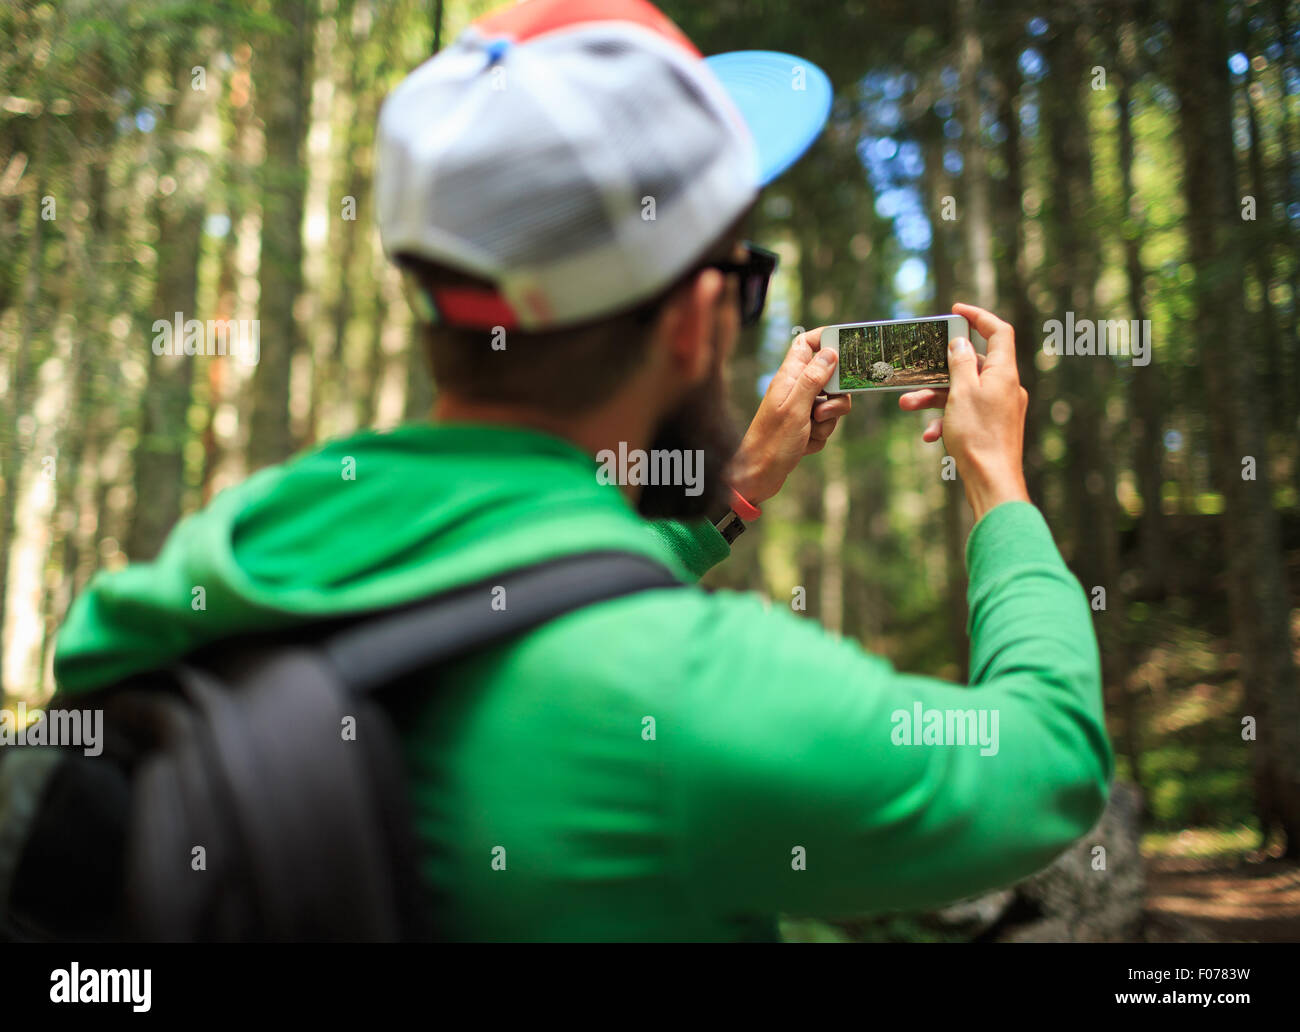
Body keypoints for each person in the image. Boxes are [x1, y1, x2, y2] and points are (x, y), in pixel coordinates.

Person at [52, 0, 1112, 941]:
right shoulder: (696, 700)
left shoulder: (229, 559)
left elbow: (484, 601)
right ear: (697, 324)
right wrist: (996, 486)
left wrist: (734, 491)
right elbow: (1045, 767)